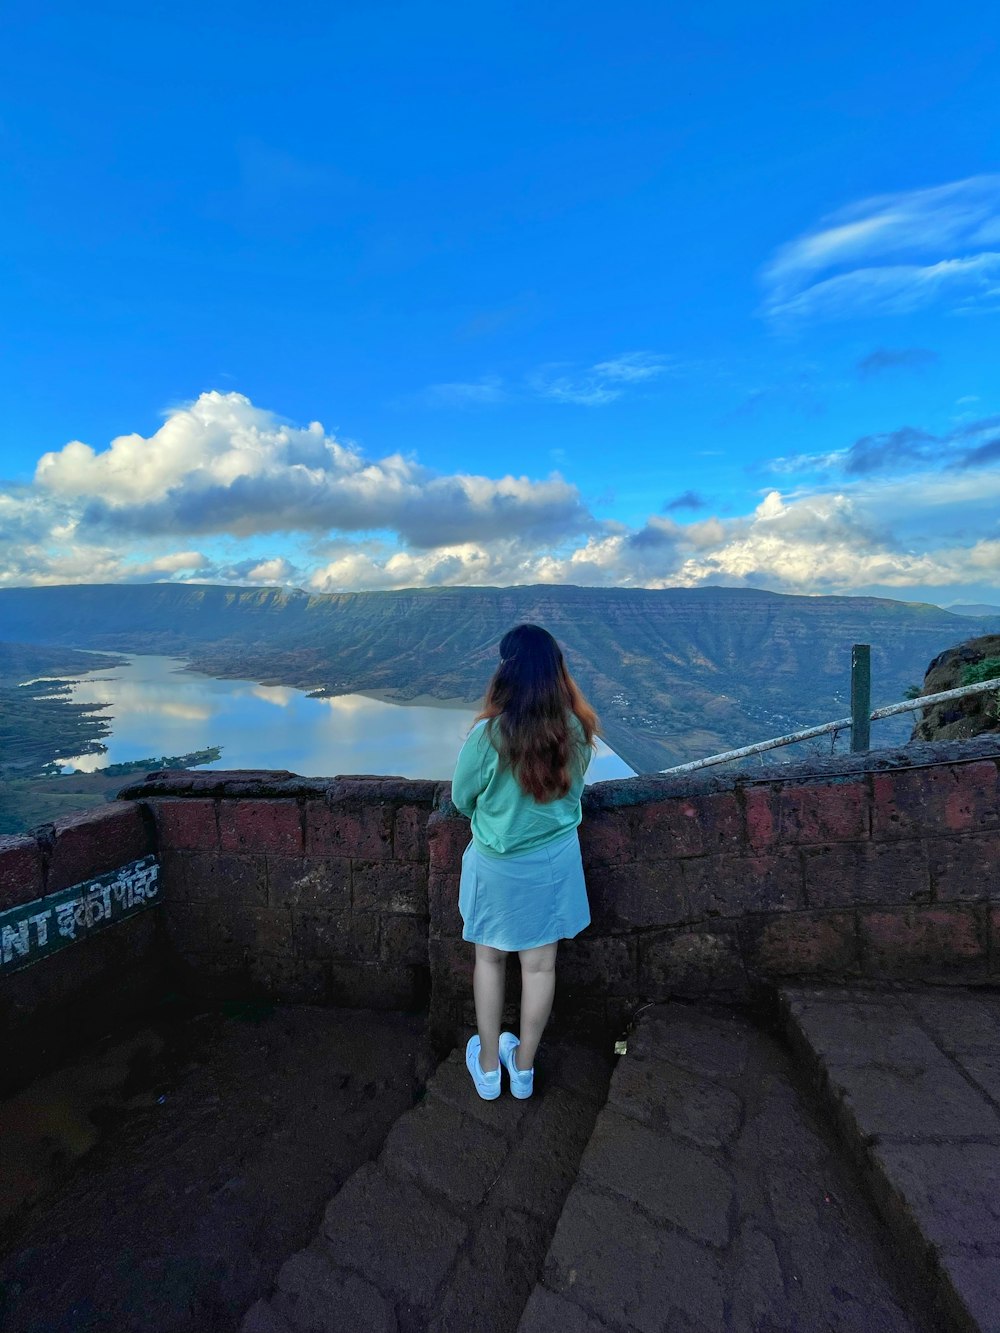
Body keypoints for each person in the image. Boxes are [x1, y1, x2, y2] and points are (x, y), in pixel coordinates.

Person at [450, 623, 598, 1100]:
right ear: (557, 672)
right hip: (553, 863)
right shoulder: (576, 730)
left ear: (505, 673)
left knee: (489, 960)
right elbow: (573, 792)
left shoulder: (488, 735)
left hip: (496, 864)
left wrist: (494, 819)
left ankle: (490, 1069)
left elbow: (460, 799)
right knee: (540, 968)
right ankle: (525, 1068)